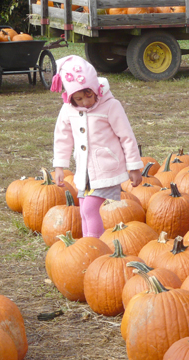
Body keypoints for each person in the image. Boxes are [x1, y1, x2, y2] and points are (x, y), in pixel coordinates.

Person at [50, 55, 143, 238]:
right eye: (78, 98)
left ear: (95, 89)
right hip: (84, 172)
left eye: (88, 95)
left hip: (106, 170)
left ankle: (95, 247)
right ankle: (89, 246)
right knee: (84, 209)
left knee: (91, 208)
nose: (85, 102)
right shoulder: (68, 110)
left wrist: (134, 167)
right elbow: (62, 137)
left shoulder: (110, 106)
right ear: (70, 97)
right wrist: (59, 165)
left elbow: (126, 136)